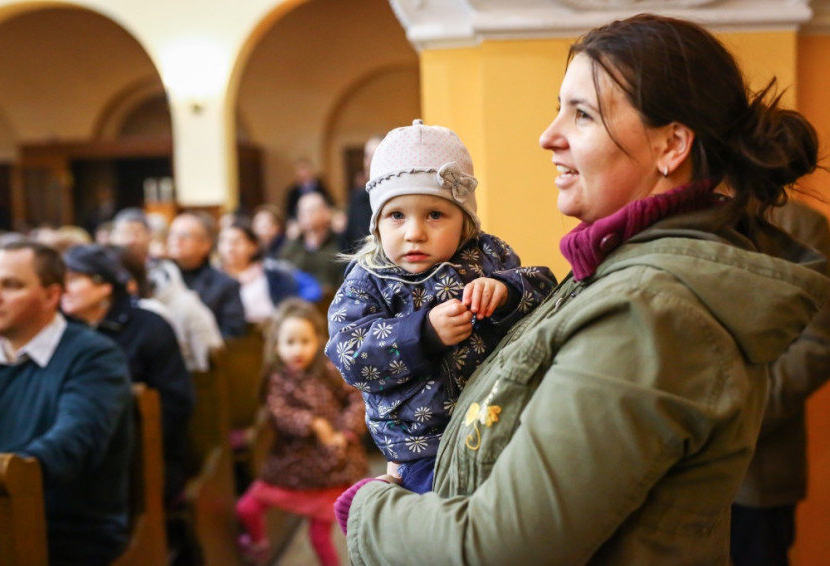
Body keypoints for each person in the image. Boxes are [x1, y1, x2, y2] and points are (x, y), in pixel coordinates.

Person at [332, 14, 830, 565]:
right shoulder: (621, 269)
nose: (548, 136)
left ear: (671, 146)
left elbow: (502, 548)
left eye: (583, 114)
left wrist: (369, 510)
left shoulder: (650, 313)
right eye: (559, 109)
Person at [325, 119, 556, 493]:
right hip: (422, 445)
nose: (414, 232)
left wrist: (506, 292)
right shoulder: (369, 278)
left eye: (435, 214)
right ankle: (384, 506)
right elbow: (350, 355)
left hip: (500, 417)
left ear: (464, 220)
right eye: (397, 215)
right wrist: (424, 333)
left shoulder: (488, 255)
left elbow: (547, 294)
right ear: (377, 224)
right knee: (450, 506)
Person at [0, 241, 133, 565]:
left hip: (65, 532)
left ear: (51, 296)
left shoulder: (94, 357)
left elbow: (76, 440)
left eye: (11, 285)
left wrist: (3, 470)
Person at [730, 199, 830, 566]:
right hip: (668, 475)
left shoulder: (800, 225)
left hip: (757, 474)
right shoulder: (671, 215)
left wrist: (736, 416)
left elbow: (818, 346)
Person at [235, 299, 367, 566]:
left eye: (305, 341)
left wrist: (345, 433)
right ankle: (258, 545)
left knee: (319, 537)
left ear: (317, 339)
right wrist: (314, 424)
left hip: (330, 466)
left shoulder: (330, 369)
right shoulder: (277, 378)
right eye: (290, 342)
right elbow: (279, 412)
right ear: (276, 345)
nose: (298, 350)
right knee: (246, 507)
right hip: (290, 464)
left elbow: (357, 399)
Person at [61, 244, 194, 504]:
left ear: (104, 286)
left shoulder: (149, 327)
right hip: (78, 453)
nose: (64, 289)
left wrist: (121, 444)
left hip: (144, 456)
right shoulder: (62, 331)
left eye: (73, 279)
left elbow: (177, 403)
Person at [217, 220, 322, 324]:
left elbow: (292, 306)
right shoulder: (214, 278)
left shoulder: (275, 273)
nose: (230, 248)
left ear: (253, 246)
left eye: (237, 242)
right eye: (224, 242)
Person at [168, 210, 247, 337]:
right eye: (172, 234)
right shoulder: (156, 279)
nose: (176, 240)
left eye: (185, 235)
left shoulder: (226, 285)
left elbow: (232, 334)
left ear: (205, 244)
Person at [279, 192, 346, 297]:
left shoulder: (341, 243)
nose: (305, 215)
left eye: (311, 210)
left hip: (333, 301)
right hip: (297, 302)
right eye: (301, 211)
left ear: (326, 213)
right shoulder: (291, 246)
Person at [341, 136, 383, 254]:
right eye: (367, 156)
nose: (369, 163)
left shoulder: (397, 195)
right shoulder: (357, 197)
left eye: (375, 156)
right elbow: (349, 241)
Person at [283, 157, 333, 223]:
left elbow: (330, 205)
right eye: (300, 169)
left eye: (305, 168)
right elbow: (289, 212)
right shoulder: (292, 191)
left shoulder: (321, 187)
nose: (303, 172)